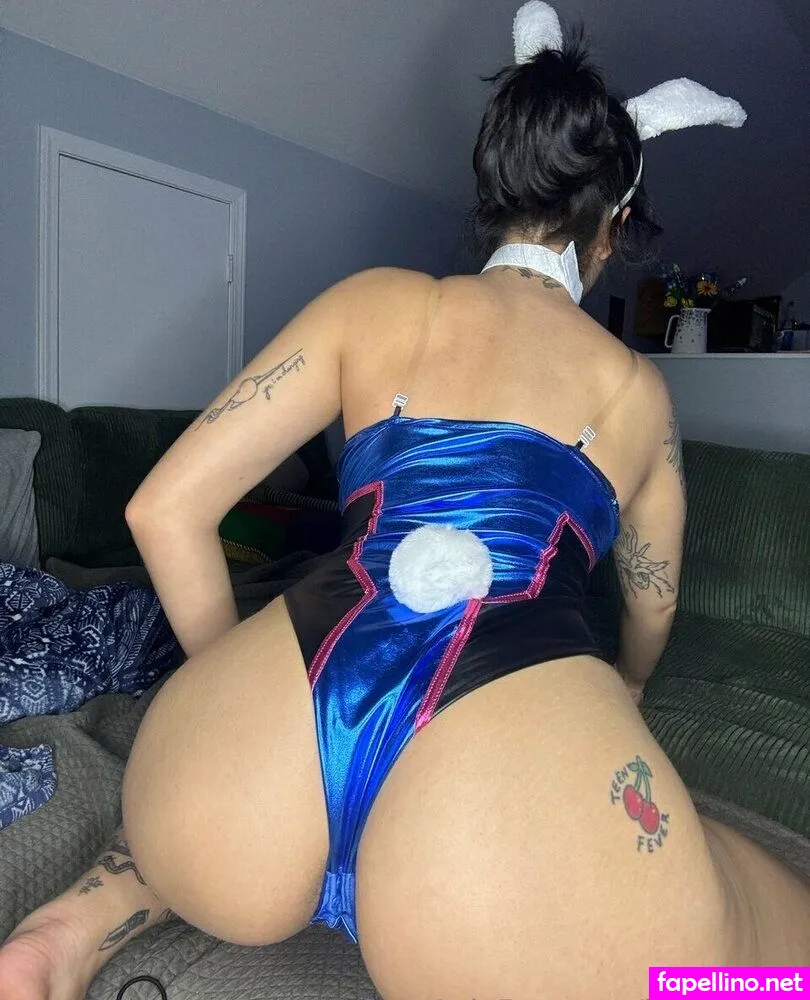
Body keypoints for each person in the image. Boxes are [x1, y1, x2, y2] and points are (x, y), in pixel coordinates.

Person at [2, 9, 808, 1000]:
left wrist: (238, 700)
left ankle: (56, 937)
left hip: (236, 789)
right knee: (758, 952)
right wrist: (628, 688)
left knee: (177, 831)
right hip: (483, 847)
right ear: (611, 227)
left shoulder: (374, 304)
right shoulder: (634, 389)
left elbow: (163, 510)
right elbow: (652, 601)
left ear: (495, 185)